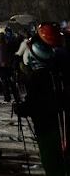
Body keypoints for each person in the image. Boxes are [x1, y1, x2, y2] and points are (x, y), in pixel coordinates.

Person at [15, 36, 70, 176]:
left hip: (47, 127)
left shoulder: (39, 78)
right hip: (59, 125)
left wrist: (22, 109)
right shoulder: (58, 72)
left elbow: (36, 103)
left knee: (53, 162)